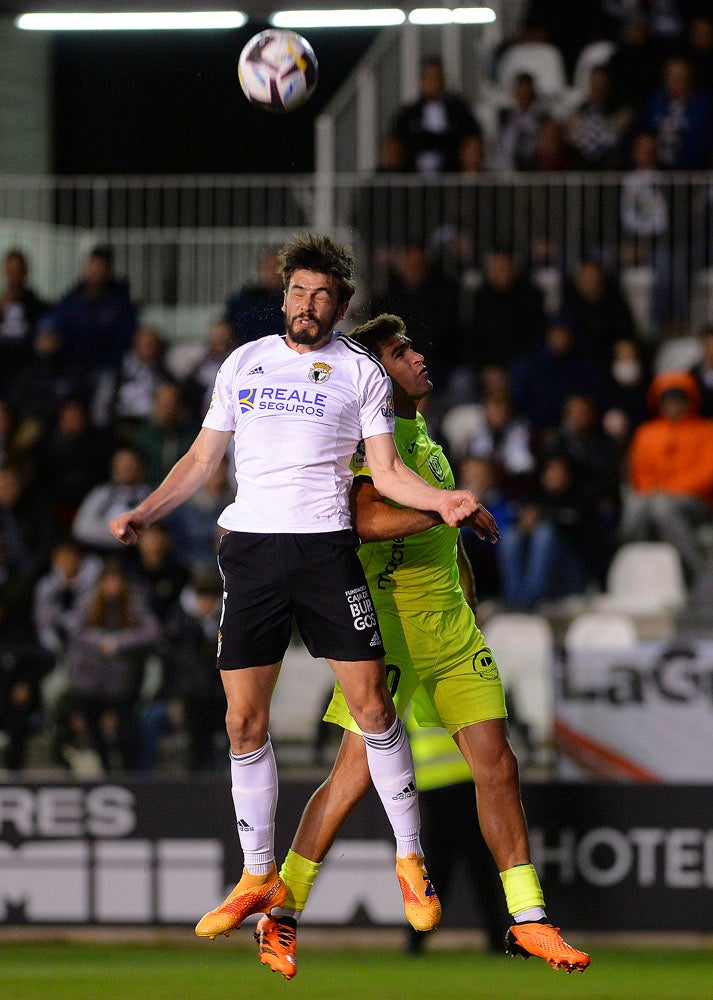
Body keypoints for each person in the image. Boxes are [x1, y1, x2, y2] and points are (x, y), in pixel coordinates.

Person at [108, 234, 481, 943]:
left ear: (339, 306)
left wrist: (442, 500)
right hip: (250, 552)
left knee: (372, 705)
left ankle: (410, 858)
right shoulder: (244, 362)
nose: (308, 305)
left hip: (325, 552)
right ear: (283, 297)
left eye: (322, 296)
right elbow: (199, 459)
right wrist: (145, 511)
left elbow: (389, 474)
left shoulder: (361, 374)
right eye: (298, 292)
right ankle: (256, 876)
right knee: (243, 723)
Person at [252, 313, 590, 979]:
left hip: (451, 633)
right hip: (390, 635)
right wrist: (443, 507)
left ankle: (528, 920)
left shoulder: (425, 441)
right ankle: (280, 913)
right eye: (401, 352)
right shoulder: (362, 439)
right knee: (348, 780)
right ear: (377, 373)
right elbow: (359, 518)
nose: (418, 358)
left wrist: (460, 565)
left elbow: (442, 529)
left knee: (498, 765)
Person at [619, 370, 713, 582]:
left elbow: (708, 473)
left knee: (662, 508)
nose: (673, 404)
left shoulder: (706, 430)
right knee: (635, 506)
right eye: (667, 399)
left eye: (678, 399)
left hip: (696, 502)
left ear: (689, 401)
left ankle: (697, 573)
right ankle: (634, 575)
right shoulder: (646, 433)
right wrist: (653, 491)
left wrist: (668, 490)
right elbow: (639, 472)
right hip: (651, 497)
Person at [392, 56, 482, 173]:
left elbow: (472, 139)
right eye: (429, 78)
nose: (433, 82)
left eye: (437, 78)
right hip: (413, 178)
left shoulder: (459, 111)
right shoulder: (408, 114)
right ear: (422, 81)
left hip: (453, 176)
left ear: (443, 80)